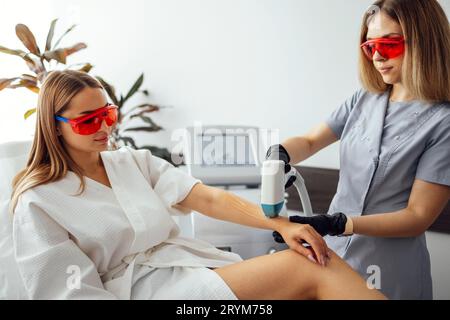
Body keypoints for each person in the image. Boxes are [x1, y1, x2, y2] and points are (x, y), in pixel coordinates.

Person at [10, 70, 385, 300]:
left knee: (306, 278)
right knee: (310, 268)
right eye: (88, 122)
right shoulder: (38, 202)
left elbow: (205, 197)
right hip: (135, 291)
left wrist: (281, 224)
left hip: (183, 271)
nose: (106, 128)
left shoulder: (132, 162)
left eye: (108, 114)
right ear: (53, 125)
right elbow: (67, 292)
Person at [270, 0, 450, 300]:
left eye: (389, 45)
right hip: (333, 253)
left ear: (424, 43)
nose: (378, 56)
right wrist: (279, 153)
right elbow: (312, 140)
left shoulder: (442, 122)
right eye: (370, 47)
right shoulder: (364, 99)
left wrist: (338, 223)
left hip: (391, 267)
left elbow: (418, 216)